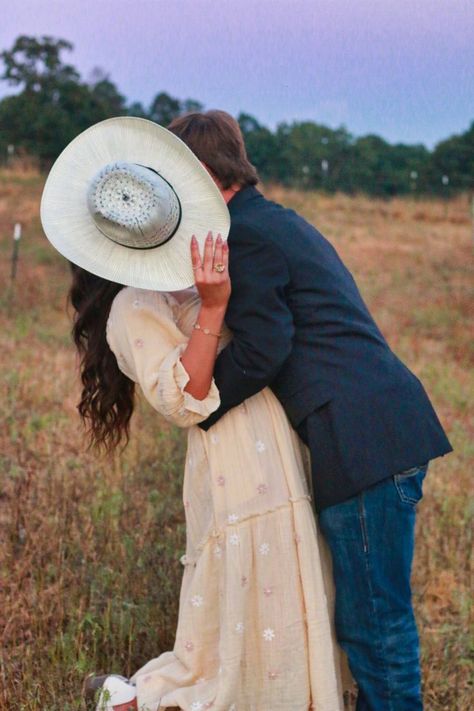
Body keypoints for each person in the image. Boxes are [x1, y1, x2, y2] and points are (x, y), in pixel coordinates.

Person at [39, 117, 351, 711]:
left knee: (291, 578)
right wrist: (213, 307)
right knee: (247, 591)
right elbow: (187, 395)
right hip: (231, 454)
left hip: (273, 439)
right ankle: (142, 700)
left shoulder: (183, 280)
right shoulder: (131, 309)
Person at [166, 110, 454, 711]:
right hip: (377, 430)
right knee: (371, 621)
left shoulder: (245, 235)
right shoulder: (271, 222)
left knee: (375, 627)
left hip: (363, 439)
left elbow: (266, 345)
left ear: (199, 171)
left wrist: (201, 403)